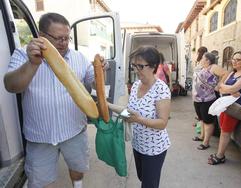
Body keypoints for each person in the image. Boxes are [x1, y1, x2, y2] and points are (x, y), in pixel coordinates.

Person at [4, 13, 105, 188]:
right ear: (42, 36)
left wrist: (100, 71)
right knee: (40, 181)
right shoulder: (23, 54)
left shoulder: (79, 58)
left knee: (78, 168)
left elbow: (94, 84)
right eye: (58, 38)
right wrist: (32, 64)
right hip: (40, 136)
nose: (64, 43)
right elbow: (11, 86)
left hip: (74, 131)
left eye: (67, 38)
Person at [108, 46, 171, 188]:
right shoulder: (136, 85)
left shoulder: (161, 89)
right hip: (138, 144)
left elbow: (162, 123)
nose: (136, 70)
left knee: (149, 185)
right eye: (134, 65)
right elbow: (129, 113)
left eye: (140, 66)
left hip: (154, 148)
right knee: (142, 177)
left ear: (153, 66)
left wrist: (138, 119)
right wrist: (107, 105)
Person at [208, 51, 241, 165]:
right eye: (233, 59)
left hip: (236, 107)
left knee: (225, 132)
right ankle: (220, 153)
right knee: (223, 130)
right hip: (226, 105)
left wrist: (228, 89)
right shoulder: (232, 73)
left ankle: (220, 156)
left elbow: (231, 89)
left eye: (238, 59)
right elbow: (218, 87)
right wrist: (228, 89)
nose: (234, 61)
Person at [192, 52, 227, 150]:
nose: (201, 59)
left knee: (208, 121)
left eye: (203, 57)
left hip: (208, 99)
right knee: (202, 119)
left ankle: (206, 142)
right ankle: (201, 136)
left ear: (207, 60)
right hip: (198, 98)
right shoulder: (202, 68)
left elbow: (225, 73)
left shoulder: (213, 67)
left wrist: (219, 84)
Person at [192, 46, 208, 142]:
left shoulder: (206, 63)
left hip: (202, 92)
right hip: (197, 91)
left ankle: (203, 136)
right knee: (201, 116)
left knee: (204, 117)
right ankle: (201, 134)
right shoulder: (199, 61)